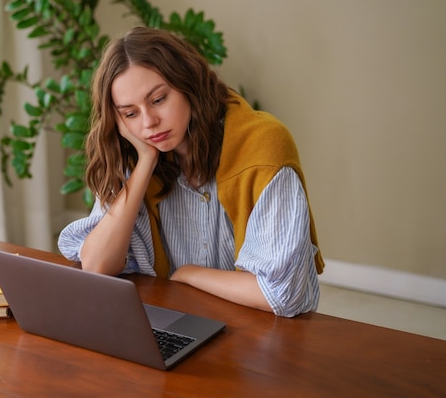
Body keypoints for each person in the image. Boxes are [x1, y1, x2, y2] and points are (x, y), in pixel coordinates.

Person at [58, 26, 324, 317]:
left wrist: (190, 274)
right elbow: (96, 265)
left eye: (159, 99)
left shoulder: (262, 146)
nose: (149, 123)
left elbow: (283, 295)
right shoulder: (135, 150)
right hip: (180, 319)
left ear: (188, 85)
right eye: (130, 113)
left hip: (262, 331)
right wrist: (146, 162)